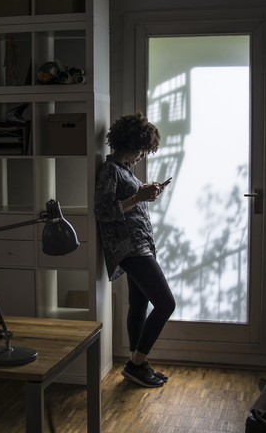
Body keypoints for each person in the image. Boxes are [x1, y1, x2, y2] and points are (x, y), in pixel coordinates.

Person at [94, 111, 176, 388]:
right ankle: (136, 364)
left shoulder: (124, 170)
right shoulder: (110, 170)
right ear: (133, 145)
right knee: (166, 303)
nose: (144, 155)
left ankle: (136, 364)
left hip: (140, 244)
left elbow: (128, 202)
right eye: (143, 149)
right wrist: (138, 196)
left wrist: (144, 192)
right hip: (129, 247)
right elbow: (104, 211)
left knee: (139, 305)